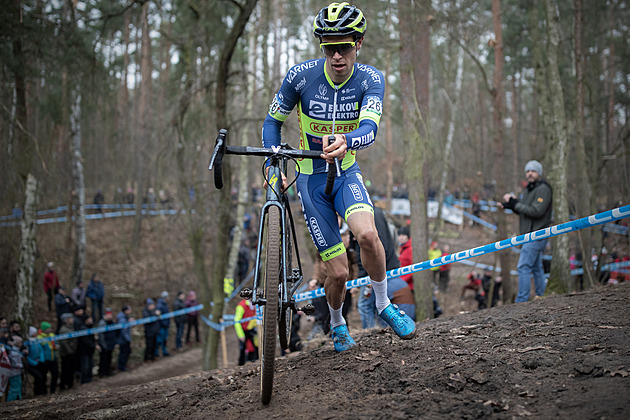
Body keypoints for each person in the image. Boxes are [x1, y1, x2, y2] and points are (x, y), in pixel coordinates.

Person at [261, 2, 415, 351]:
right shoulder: (300, 76)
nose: (337, 56)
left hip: (346, 172)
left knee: (368, 236)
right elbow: (272, 122)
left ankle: (382, 305)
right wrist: (273, 166)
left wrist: (348, 140)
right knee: (340, 272)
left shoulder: (371, 79)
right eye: (329, 47)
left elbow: (370, 128)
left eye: (344, 46)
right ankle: (337, 322)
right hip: (311, 179)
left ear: (357, 44)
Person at [499, 160, 553, 302]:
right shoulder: (529, 189)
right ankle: (542, 296)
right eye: (528, 171)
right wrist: (510, 205)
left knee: (523, 266)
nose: (530, 173)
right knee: (536, 267)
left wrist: (516, 204)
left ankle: (521, 301)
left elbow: (536, 211)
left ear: (539, 173)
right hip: (529, 234)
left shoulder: (543, 189)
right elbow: (525, 212)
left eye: (533, 171)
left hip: (538, 233)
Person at [353, 206, 401, 329]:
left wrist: (372, 274)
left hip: (379, 269)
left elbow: (379, 245)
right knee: (374, 304)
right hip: (373, 269)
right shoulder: (356, 215)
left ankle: (372, 332)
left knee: (365, 305)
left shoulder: (372, 213)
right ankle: (382, 331)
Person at [234, 299, 259, 366]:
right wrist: (241, 335)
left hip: (253, 330)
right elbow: (237, 321)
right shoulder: (241, 306)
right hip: (244, 331)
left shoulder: (257, 304)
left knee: (255, 348)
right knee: (243, 350)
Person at [37, 321, 59, 394]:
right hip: (44, 360)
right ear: (44, 329)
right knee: (44, 377)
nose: (50, 330)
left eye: (50, 328)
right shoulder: (39, 337)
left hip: (53, 357)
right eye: (48, 328)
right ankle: (44, 392)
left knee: (55, 374)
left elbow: (55, 343)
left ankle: (53, 391)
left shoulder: (52, 335)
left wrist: (56, 346)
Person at [57, 313, 77, 390]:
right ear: (66, 320)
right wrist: (70, 352)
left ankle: (70, 384)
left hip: (72, 352)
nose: (72, 320)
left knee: (71, 369)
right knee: (65, 370)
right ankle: (63, 385)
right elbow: (64, 343)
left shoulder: (70, 327)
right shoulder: (63, 330)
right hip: (66, 354)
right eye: (70, 318)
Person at [25, 326, 46, 396]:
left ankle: (42, 392)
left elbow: (41, 351)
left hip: (40, 362)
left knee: (42, 377)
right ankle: (37, 393)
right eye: (35, 333)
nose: (36, 333)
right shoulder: (28, 343)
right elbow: (26, 355)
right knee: (38, 377)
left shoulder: (38, 340)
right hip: (32, 364)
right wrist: (33, 363)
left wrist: (41, 359)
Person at [97, 309, 117, 377]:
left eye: (111, 314)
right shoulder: (102, 323)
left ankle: (108, 371)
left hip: (111, 343)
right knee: (103, 360)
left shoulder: (111, 322)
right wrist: (103, 345)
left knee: (109, 358)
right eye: (109, 314)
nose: (110, 316)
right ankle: (102, 373)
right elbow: (101, 335)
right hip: (105, 344)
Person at [77, 315, 96, 384]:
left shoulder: (90, 327)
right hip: (84, 350)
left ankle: (89, 378)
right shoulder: (83, 328)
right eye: (90, 319)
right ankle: (85, 379)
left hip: (89, 350)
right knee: (85, 365)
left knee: (90, 364)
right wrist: (92, 345)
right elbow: (85, 340)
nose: (91, 320)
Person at [116, 305, 132, 372]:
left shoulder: (123, 317)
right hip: (123, 339)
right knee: (124, 353)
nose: (131, 311)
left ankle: (123, 366)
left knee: (126, 352)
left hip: (124, 338)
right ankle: (121, 367)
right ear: (126, 311)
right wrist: (127, 339)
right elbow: (123, 330)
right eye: (129, 310)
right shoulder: (121, 318)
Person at [156, 291, 170, 357]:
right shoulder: (160, 305)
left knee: (164, 339)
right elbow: (158, 315)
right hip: (161, 325)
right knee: (159, 340)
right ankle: (156, 353)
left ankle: (164, 351)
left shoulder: (165, 304)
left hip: (165, 324)